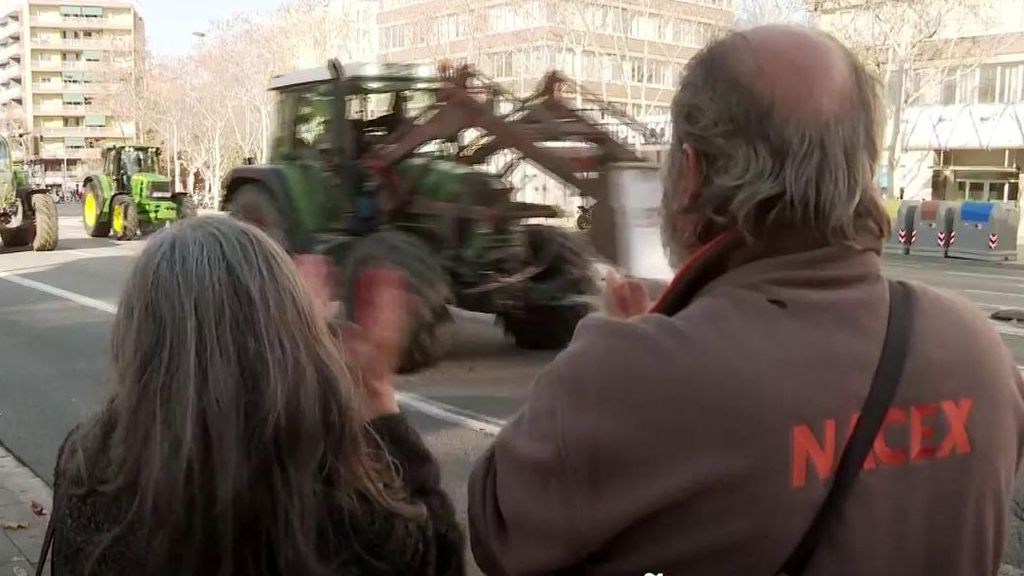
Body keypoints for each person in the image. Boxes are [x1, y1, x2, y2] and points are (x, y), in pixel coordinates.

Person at [467, 25, 1024, 575]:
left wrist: (623, 357)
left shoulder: (628, 376)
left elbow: (499, 532)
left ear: (690, 173)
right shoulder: (979, 352)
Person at [50, 216, 465, 576]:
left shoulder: (87, 475)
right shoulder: (342, 507)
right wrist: (373, 393)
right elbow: (437, 554)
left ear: (136, 342)